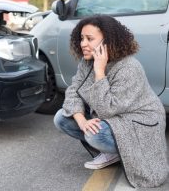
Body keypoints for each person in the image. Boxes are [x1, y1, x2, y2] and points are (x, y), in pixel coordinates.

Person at [53, 15, 168, 188]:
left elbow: (107, 109)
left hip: (138, 121)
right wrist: (82, 120)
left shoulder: (129, 67)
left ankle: (116, 152)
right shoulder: (86, 63)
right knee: (62, 118)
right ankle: (112, 151)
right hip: (113, 116)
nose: (83, 43)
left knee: (95, 134)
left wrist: (100, 72)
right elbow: (72, 91)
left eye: (89, 39)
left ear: (108, 41)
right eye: (81, 38)